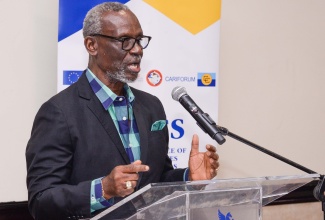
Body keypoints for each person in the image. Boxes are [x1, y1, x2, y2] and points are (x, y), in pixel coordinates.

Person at [26, 2, 220, 220]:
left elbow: (155, 180)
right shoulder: (59, 112)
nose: (137, 49)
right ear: (92, 45)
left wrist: (188, 177)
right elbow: (41, 200)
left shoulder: (151, 106)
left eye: (139, 40)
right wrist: (103, 189)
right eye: (125, 40)